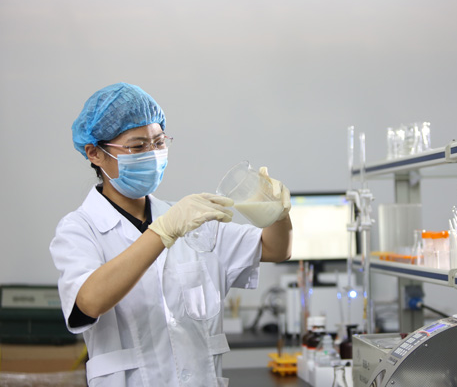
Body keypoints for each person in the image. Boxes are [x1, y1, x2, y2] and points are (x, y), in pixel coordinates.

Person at [49, 82, 292, 387]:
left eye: (159, 142)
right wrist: (162, 232)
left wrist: (276, 213)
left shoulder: (191, 218)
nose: (152, 154)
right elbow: (89, 302)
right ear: (95, 153)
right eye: (137, 146)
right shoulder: (79, 229)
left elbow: (276, 249)